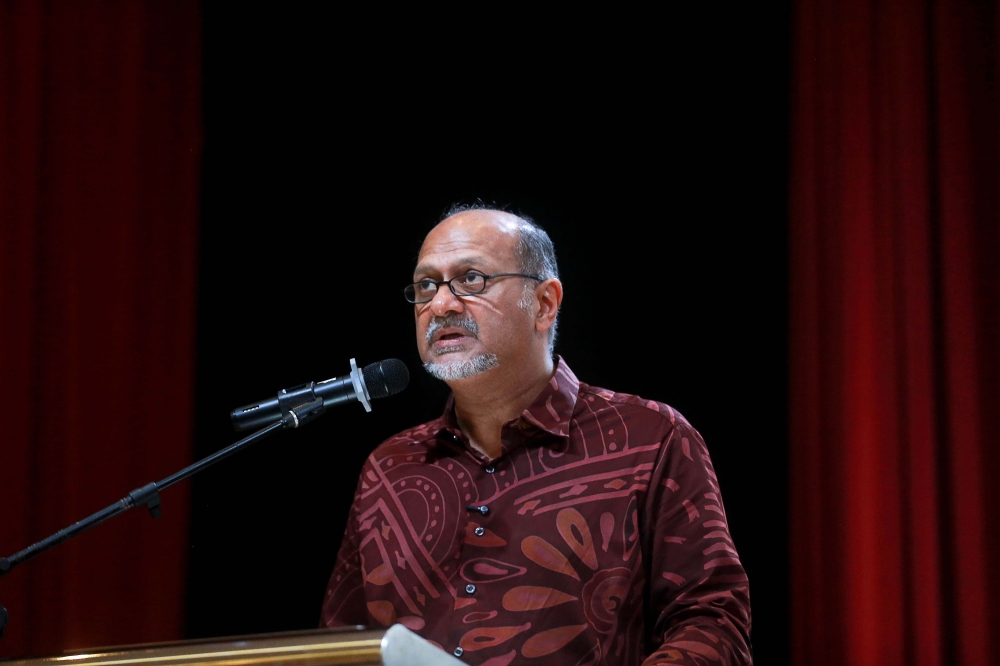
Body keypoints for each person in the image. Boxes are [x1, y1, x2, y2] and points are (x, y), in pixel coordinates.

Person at [321, 205, 752, 665]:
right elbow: (342, 644)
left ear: (544, 304)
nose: (440, 305)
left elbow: (711, 625)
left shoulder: (650, 440)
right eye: (427, 285)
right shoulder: (390, 468)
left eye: (471, 279)